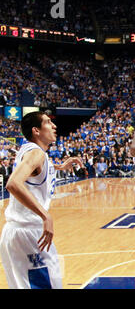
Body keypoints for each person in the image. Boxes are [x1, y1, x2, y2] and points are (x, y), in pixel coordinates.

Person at [0, 111, 83, 289]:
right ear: (36, 131)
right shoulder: (36, 153)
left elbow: (34, 169)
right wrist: (45, 216)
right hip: (28, 232)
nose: (54, 126)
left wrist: (59, 166)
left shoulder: (29, 149)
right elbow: (13, 183)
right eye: (47, 123)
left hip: (16, 232)